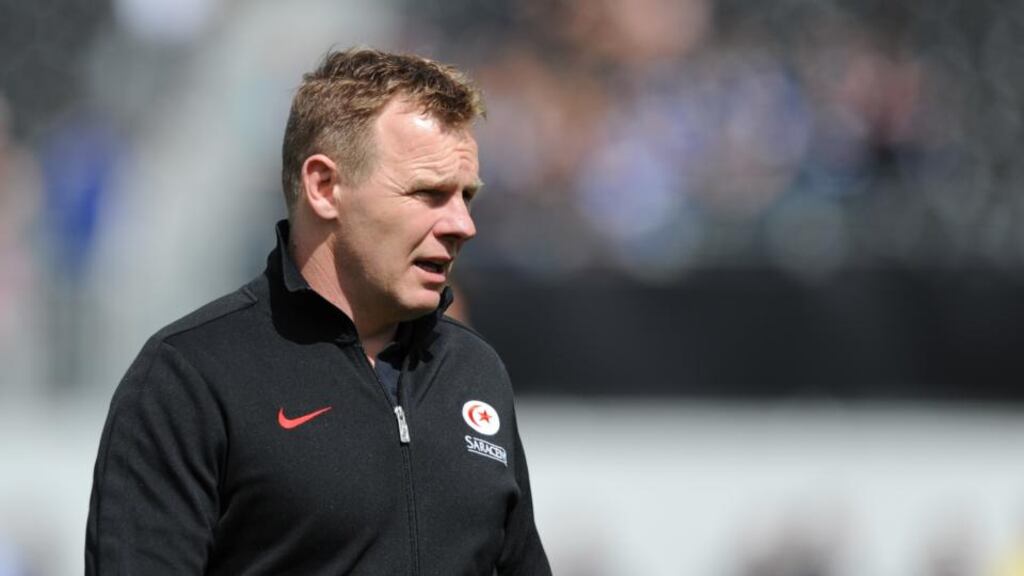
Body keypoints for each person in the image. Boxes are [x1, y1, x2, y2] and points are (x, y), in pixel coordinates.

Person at [85, 47, 551, 575]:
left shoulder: (474, 371)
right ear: (325, 187)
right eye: (429, 193)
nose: (462, 224)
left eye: (466, 196)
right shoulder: (190, 376)